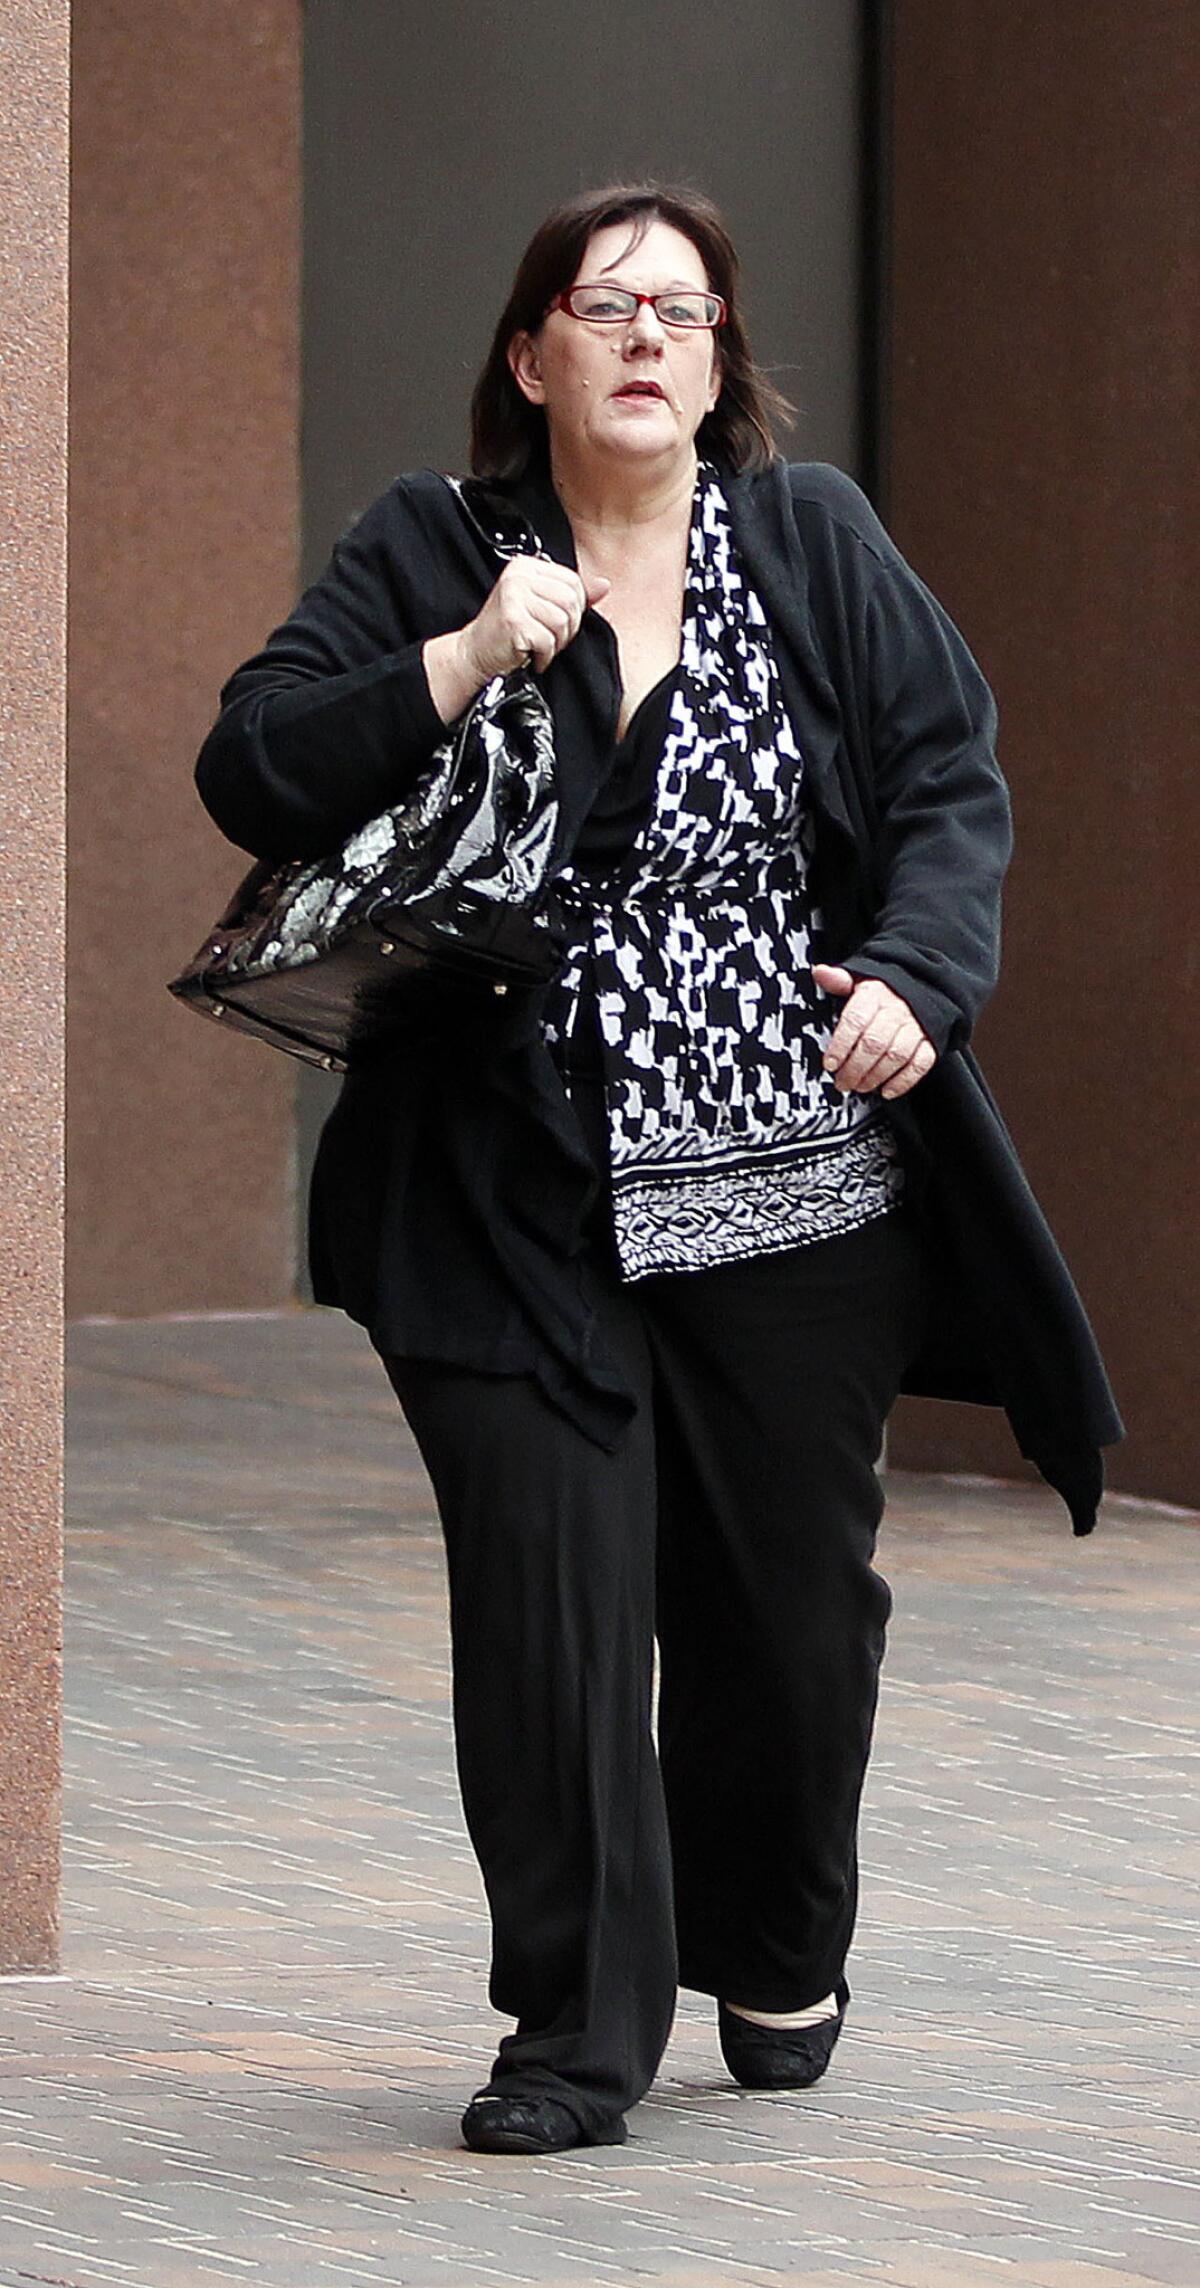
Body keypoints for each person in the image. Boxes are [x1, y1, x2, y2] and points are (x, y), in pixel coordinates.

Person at [193, 183, 1121, 2157]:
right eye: (601, 305)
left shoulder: (810, 541)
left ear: (719, 363)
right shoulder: (432, 548)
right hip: (502, 1190)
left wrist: (920, 978)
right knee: (550, 1606)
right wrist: (454, 660)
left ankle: (775, 1931)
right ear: (529, 357)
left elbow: (951, 780)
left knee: (785, 1614)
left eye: (681, 311)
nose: (642, 336)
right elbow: (253, 766)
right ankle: (574, 2032)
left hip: (788, 1181)